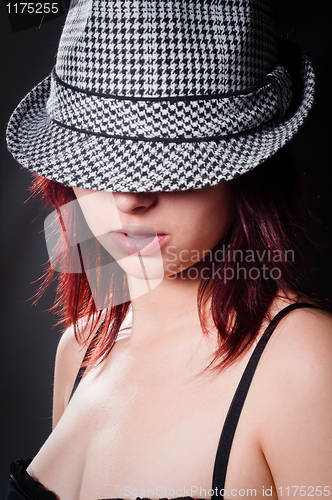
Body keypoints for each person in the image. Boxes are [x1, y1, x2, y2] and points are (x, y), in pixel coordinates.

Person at [5, 0, 332, 499]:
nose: (131, 198)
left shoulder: (306, 362)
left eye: (171, 156)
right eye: (100, 156)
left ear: (246, 166)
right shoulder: (78, 350)